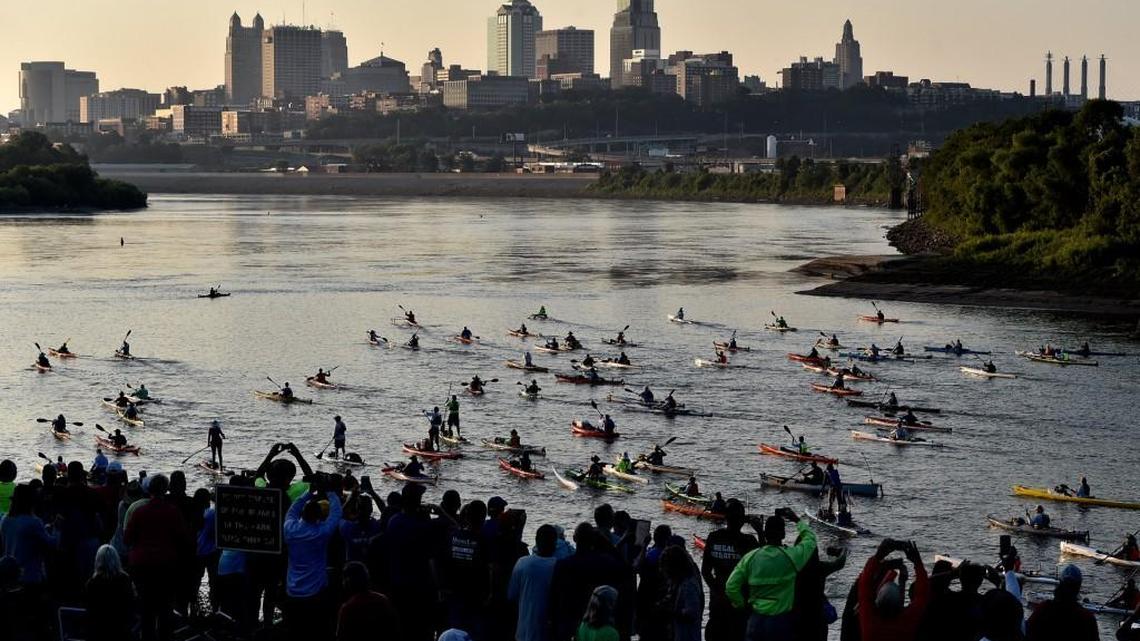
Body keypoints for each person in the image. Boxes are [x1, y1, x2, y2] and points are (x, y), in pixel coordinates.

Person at [725, 509, 818, 638]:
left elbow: (730, 586)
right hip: (781, 622)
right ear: (783, 534)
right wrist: (797, 520)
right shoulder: (792, 557)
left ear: (765, 533)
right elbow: (810, 540)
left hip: (755, 621)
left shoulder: (750, 557)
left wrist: (742, 605)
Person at [125, 474, 191, 641]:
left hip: (141, 565)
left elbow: (127, 539)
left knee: (146, 608)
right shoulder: (172, 512)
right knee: (165, 609)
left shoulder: (139, 511)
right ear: (165, 490)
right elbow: (183, 538)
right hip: (166, 565)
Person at [283, 482, 343, 639]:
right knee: (316, 631)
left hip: (292, 590)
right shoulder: (322, 533)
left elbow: (293, 509)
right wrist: (330, 492)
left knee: (294, 631)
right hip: (315, 592)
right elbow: (336, 513)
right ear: (319, 517)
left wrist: (309, 492)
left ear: (302, 514)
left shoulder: (289, 529)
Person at [702, 500, 759, 641]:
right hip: (738, 606)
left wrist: (717, 591)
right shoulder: (749, 541)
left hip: (719, 605)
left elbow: (706, 571)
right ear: (742, 519)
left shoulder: (714, 537)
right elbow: (763, 564)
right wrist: (761, 533)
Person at [855, 538, 929, 641]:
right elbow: (922, 596)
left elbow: (864, 585)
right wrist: (917, 562)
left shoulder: (870, 623)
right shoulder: (906, 624)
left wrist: (879, 555)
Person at [508, 524, 559, 641]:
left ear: (536, 541)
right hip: (548, 631)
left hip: (523, 630)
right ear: (555, 543)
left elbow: (511, 595)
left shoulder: (522, 563)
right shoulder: (559, 566)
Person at [1026, 564, 1098, 641]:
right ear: (1078, 587)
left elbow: (1027, 632)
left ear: (1060, 584)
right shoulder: (1087, 618)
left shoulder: (1043, 609)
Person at [84, 544, 137, 641]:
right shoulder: (125, 580)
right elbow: (131, 605)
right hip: (122, 632)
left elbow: (89, 611)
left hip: (99, 633)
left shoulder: (92, 583)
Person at [336, 561, 398, 641]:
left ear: (348, 581)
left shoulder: (347, 608)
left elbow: (341, 638)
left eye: (344, 578)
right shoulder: (383, 600)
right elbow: (395, 630)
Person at [661, 546, 704, 641]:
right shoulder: (677, 582)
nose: (663, 570)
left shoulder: (688, 585)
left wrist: (669, 612)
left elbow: (692, 613)